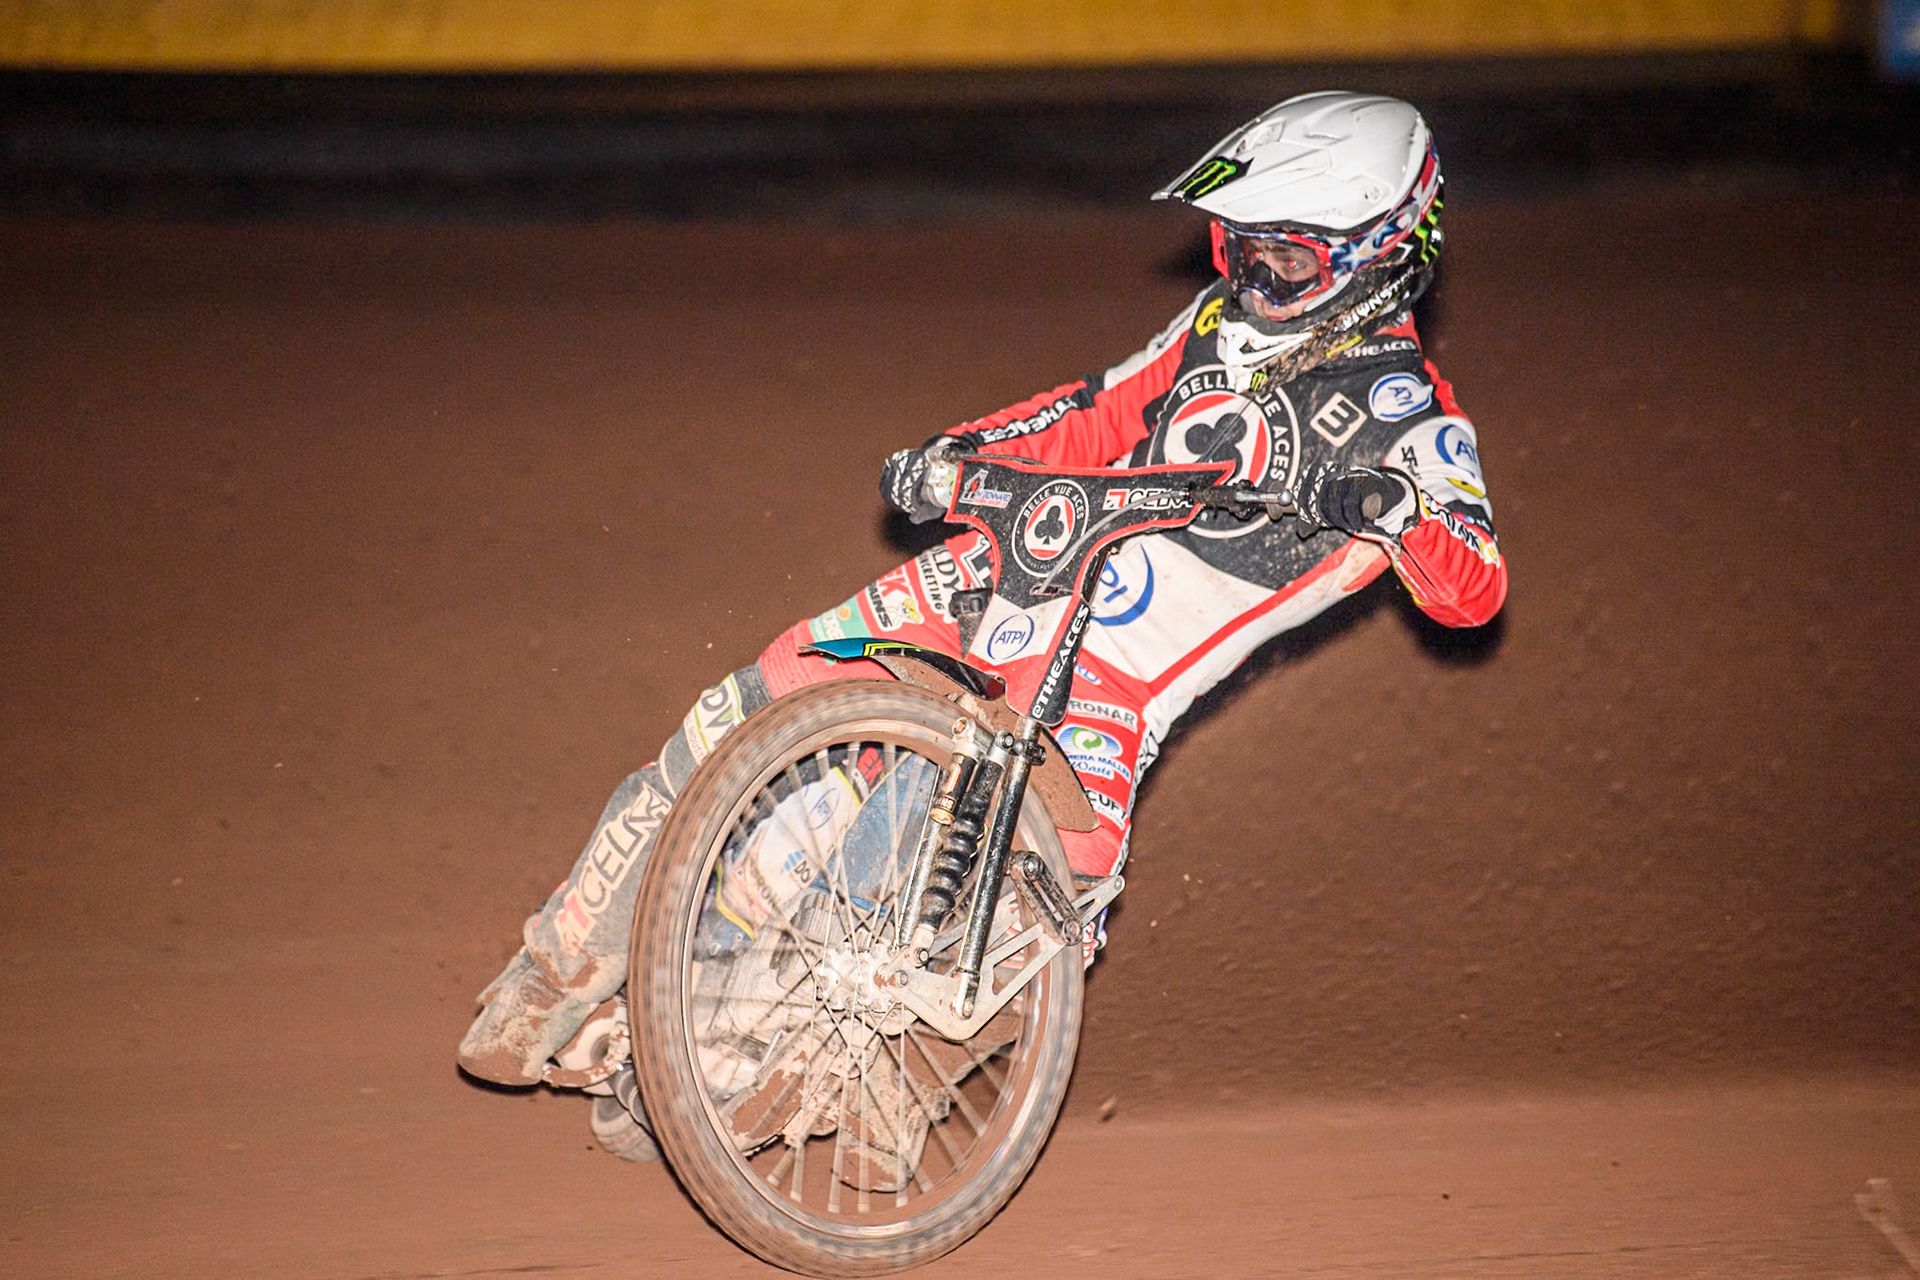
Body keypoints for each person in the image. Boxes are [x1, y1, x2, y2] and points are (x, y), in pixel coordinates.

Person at [457, 90, 1507, 1156]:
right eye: (1235, 249)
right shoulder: (1214, 327)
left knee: (1010, 895)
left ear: (1383, 257)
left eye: (1284, 261)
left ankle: (830, 1080)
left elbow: (1474, 589)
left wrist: (1399, 508)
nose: (1250, 282)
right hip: (1004, 568)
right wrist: (959, 454)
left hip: (1108, 686)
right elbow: (1095, 411)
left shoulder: (1414, 421)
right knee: (748, 704)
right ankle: (553, 970)